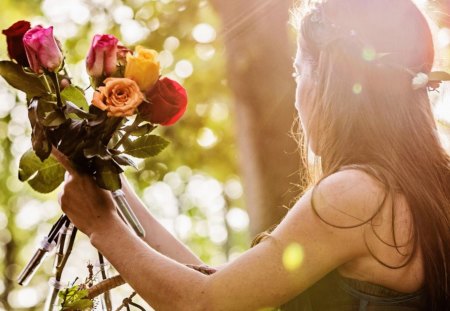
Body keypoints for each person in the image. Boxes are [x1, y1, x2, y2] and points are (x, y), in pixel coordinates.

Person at [56, 0, 450, 309]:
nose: (297, 95)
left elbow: (203, 303)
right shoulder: (423, 190)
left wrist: (102, 227)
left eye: (300, 74)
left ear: (329, 83)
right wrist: (113, 187)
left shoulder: (355, 197)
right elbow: (220, 287)